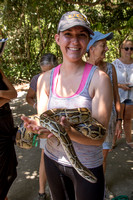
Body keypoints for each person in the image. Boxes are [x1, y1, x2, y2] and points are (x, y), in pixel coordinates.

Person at [22, 11, 113, 200]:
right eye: (68, 34)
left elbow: (98, 137)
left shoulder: (99, 79)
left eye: (81, 35)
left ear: (88, 40)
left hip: (87, 165)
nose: (75, 41)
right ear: (57, 38)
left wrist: (67, 131)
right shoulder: (44, 80)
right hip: (52, 161)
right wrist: (36, 129)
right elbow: (46, 127)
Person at [86, 31, 122, 199]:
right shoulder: (81, 67)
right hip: (86, 122)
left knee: (102, 156)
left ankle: (99, 185)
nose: (106, 48)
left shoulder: (110, 68)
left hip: (109, 120)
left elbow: (116, 96)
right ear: (91, 48)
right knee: (85, 154)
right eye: (103, 45)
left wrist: (119, 121)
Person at [26, 53, 58, 200]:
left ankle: (58, 191)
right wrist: (36, 105)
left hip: (60, 122)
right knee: (45, 156)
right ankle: (41, 191)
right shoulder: (36, 79)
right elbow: (29, 96)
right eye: (43, 71)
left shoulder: (63, 77)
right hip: (45, 124)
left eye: (49, 71)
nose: (46, 74)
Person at [0, 38, 18, 200]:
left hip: (6, 125)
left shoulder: (0, 72)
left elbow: (14, 94)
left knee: (9, 167)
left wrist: (0, 95)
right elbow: (10, 96)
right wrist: (6, 97)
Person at [112, 40, 133, 149]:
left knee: (128, 119)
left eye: (131, 48)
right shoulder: (115, 64)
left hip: (131, 95)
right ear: (121, 49)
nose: (129, 51)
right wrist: (120, 86)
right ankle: (113, 141)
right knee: (116, 118)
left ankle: (129, 140)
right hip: (119, 95)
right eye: (126, 48)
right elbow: (111, 80)